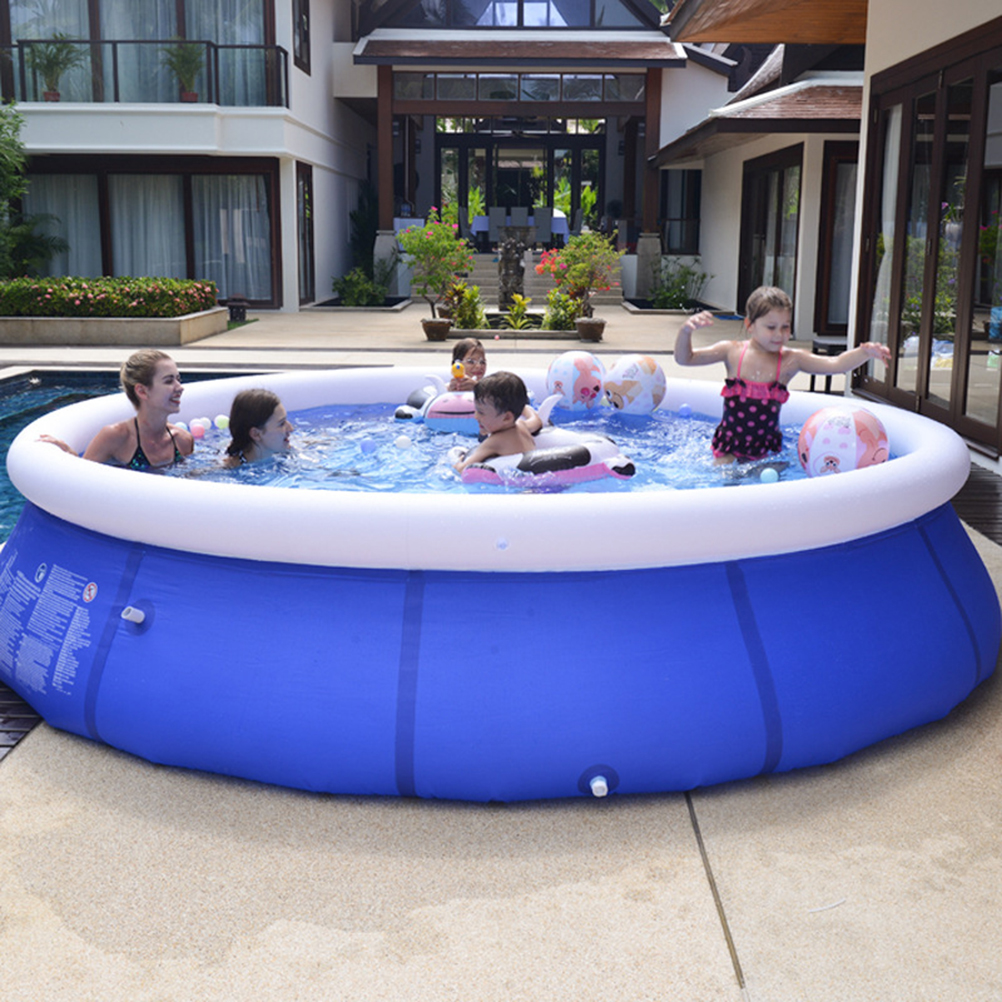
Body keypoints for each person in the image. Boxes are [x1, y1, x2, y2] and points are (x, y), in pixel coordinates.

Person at [674, 286, 891, 463]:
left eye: (785, 327)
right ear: (750, 325)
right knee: (724, 482)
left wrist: (864, 353)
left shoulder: (790, 360)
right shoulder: (731, 352)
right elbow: (685, 359)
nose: (779, 334)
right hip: (728, 449)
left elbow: (835, 365)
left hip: (768, 451)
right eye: (771, 327)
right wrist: (685, 331)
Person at [42, 349, 194, 468]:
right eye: (169, 381)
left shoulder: (183, 440)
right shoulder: (115, 437)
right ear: (142, 391)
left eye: (178, 379)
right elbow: (83, 478)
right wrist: (70, 456)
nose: (180, 387)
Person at [447, 337, 542, 434]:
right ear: (456, 364)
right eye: (471, 361)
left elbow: (529, 414)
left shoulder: (494, 391)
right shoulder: (445, 390)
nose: (479, 366)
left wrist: (478, 388)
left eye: (482, 362)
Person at [454, 371, 538, 472]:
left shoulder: (494, 442)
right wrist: (525, 408)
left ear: (507, 418)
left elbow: (463, 469)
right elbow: (537, 421)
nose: (476, 416)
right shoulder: (522, 425)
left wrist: (457, 460)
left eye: (481, 412)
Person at [223, 389, 294, 467]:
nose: (291, 428)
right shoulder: (227, 470)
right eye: (281, 424)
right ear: (256, 434)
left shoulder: (290, 451)